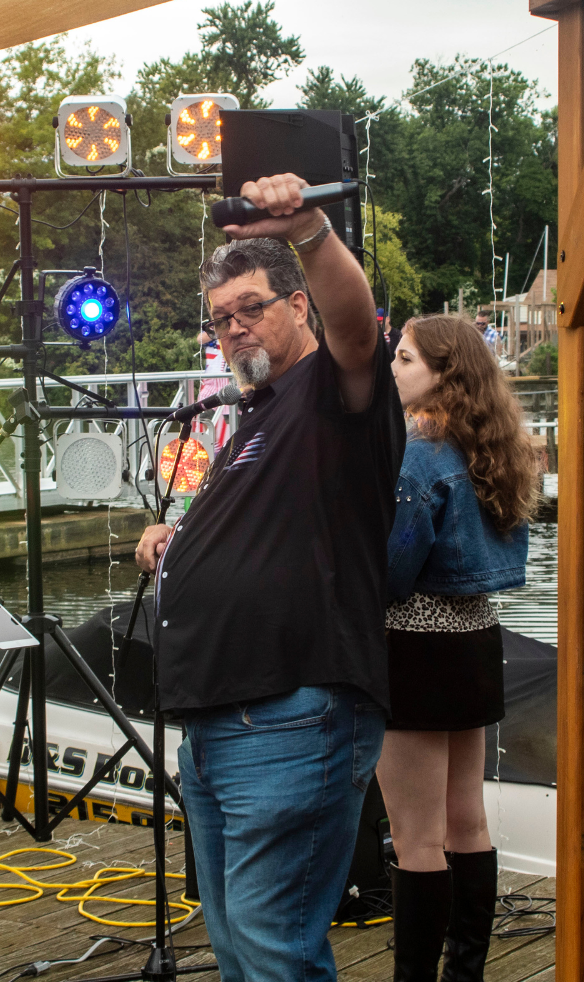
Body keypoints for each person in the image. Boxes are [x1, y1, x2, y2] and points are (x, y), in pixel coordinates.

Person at [135, 173, 406, 982]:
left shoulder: (331, 392)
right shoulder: (260, 413)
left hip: (290, 715)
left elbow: (354, 326)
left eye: (250, 308)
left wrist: (309, 228)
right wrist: (179, 542)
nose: (234, 328)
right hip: (222, 724)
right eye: (221, 317)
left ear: (296, 305)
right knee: (238, 944)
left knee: (272, 944)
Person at [377, 315, 535, 982]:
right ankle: (464, 973)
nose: (392, 368)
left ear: (444, 374)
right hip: (474, 643)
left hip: (415, 647)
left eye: (405, 358)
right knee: (466, 822)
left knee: (415, 837)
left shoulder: (422, 452)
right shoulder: (493, 448)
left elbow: (391, 572)